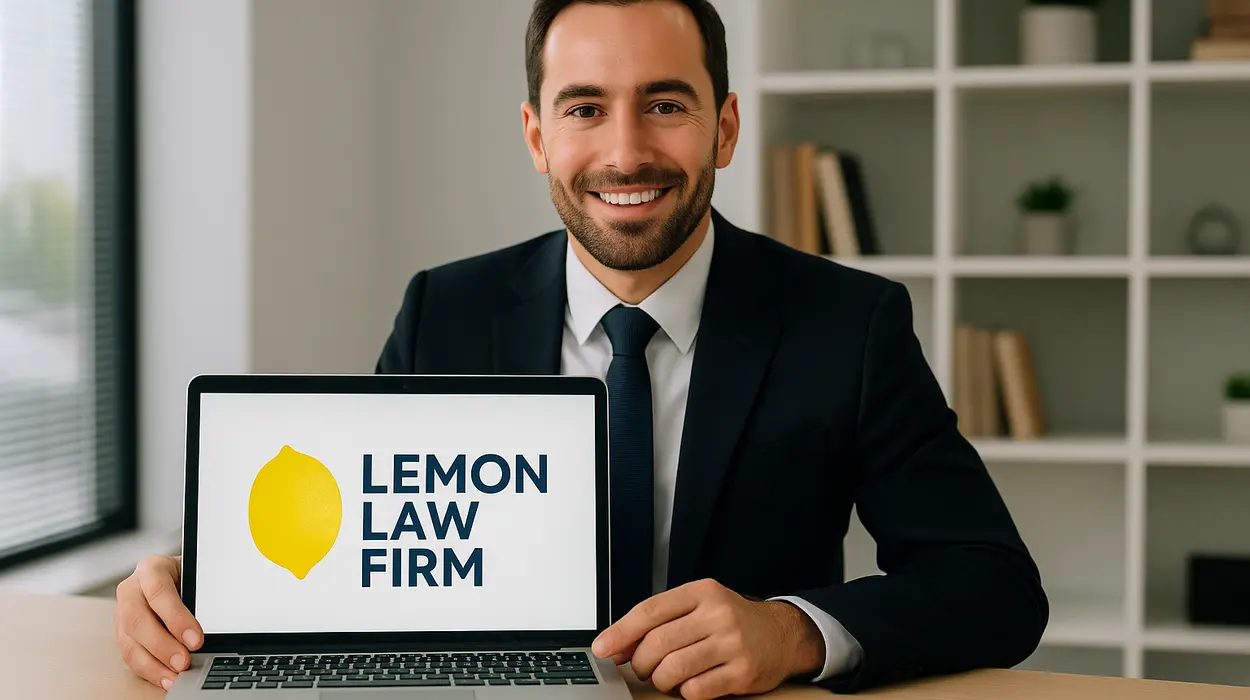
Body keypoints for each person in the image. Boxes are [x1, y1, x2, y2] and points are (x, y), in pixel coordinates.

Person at [113, 0, 1049, 696]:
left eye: (666, 104)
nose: (626, 151)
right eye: (585, 108)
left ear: (724, 126)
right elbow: (368, 538)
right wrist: (195, 583)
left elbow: (995, 585)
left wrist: (792, 632)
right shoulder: (445, 309)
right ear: (536, 135)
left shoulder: (848, 324)